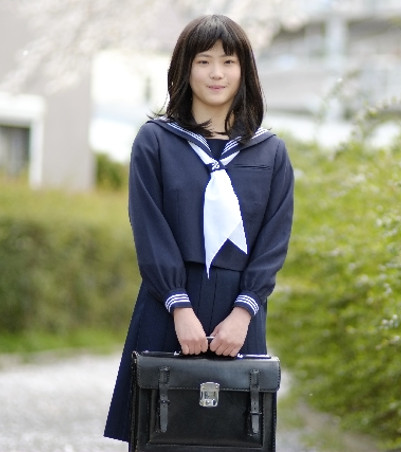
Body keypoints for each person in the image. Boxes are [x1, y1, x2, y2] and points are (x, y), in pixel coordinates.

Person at [103, 14, 294, 443]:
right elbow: (150, 229)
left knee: (234, 437)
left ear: (244, 71)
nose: (216, 73)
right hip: (167, 305)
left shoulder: (271, 151)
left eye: (228, 62)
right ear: (184, 69)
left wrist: (244, 313)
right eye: (203, 61)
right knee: (160, 433)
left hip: (240, 313)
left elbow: (273, 241)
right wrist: (179, 306)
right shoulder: (155, 141)